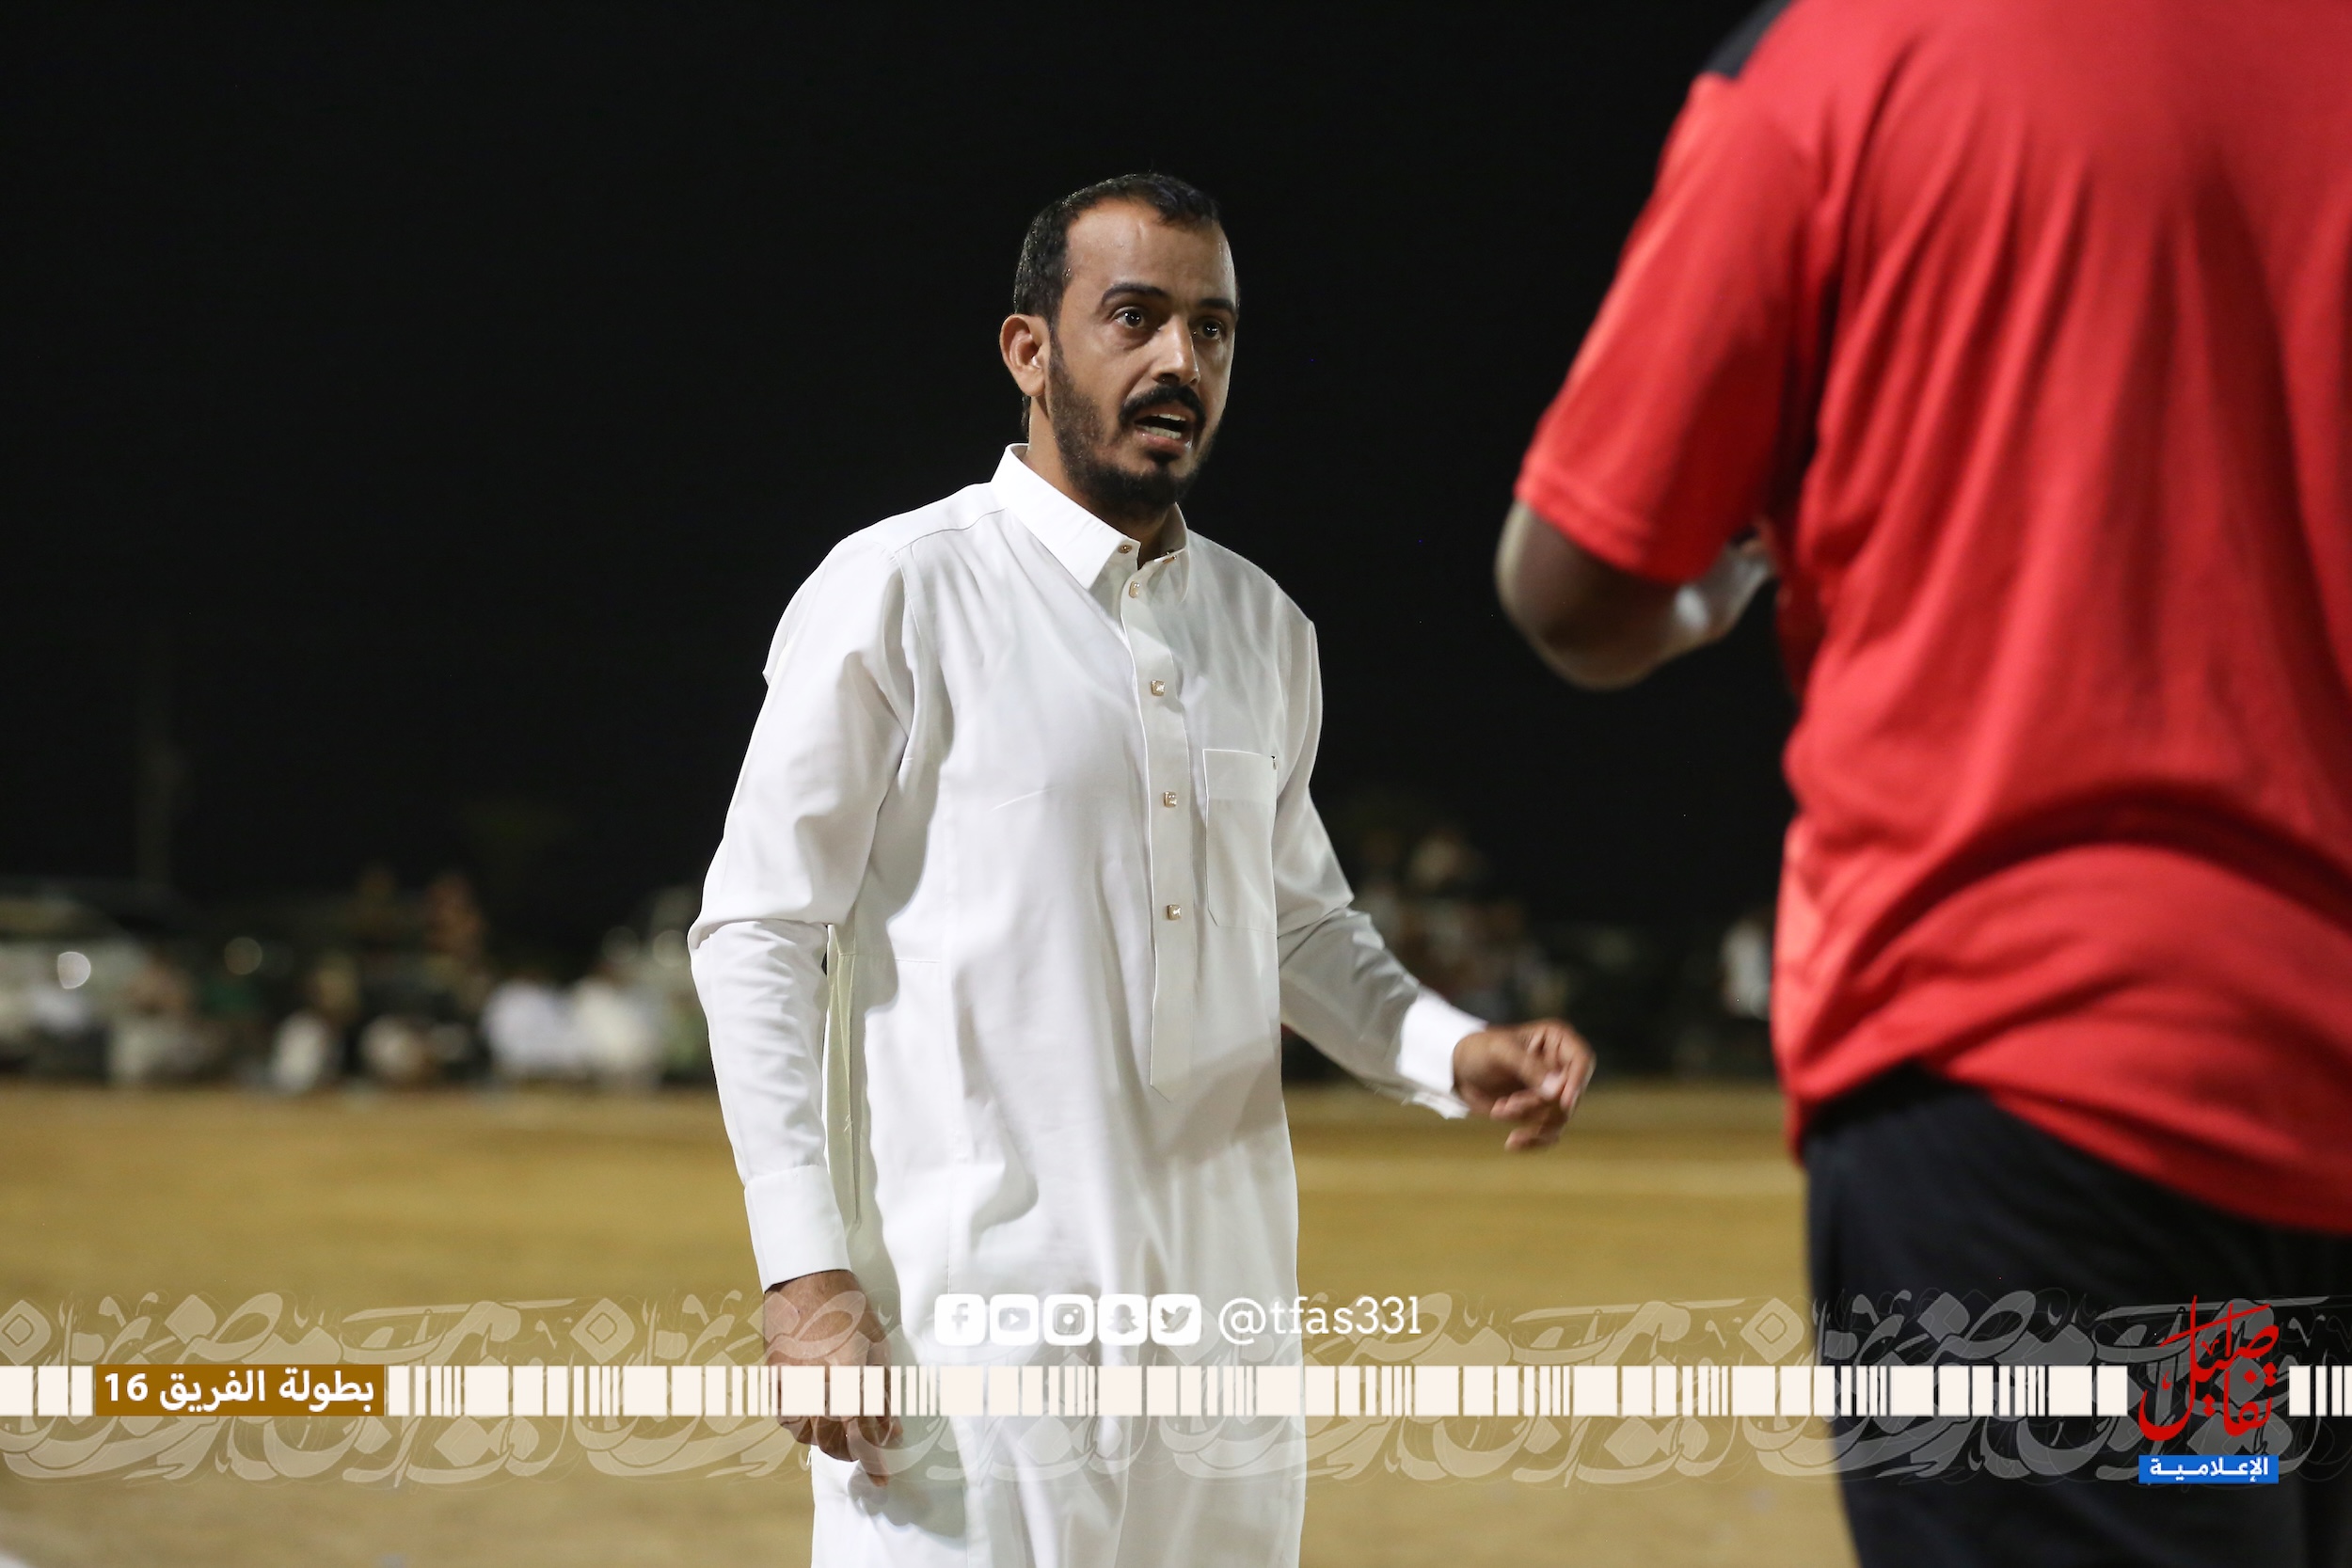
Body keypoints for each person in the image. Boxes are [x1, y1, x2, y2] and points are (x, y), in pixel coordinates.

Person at [1493, 2, 2352, 1562]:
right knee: (2235, 1496)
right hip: (2307, 1104)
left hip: (2029, 1105)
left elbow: (1575, 581)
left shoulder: (1848, 57)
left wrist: (1711, 593)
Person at [692, 172, 1595, 1567]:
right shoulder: (902, 591)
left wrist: (1446, 1050)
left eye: (1213, 328)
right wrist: (804, 1272)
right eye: (1135, 318)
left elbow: (1298, 926)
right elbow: (757, 930)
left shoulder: (1264, 629)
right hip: (967, 1342)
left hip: (1223, 1344)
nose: (1182, 360)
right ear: (1029, 349)